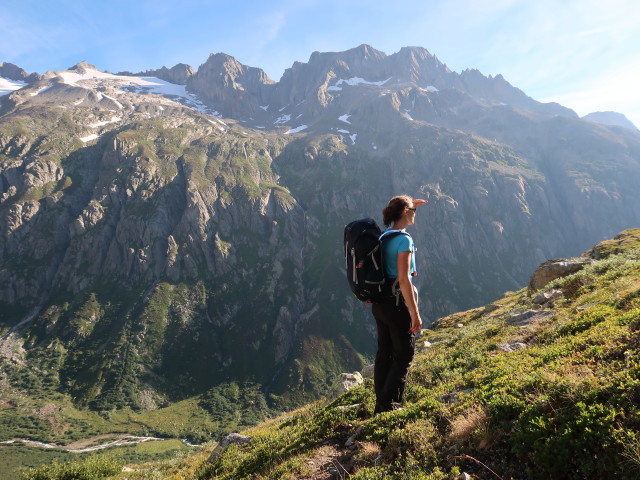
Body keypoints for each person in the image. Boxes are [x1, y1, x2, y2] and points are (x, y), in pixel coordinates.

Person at [372, 195, 427, 414]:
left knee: (384, 353)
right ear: (405, 212)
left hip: (380, 304)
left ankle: (380, 405)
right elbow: (404, 279)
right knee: (404, 355)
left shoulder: (384, 236)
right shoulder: (404, 240)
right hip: (397, 304)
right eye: (413, 211)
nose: (415, 215)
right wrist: (414, 313)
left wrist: (412, 204)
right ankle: (389, 407)